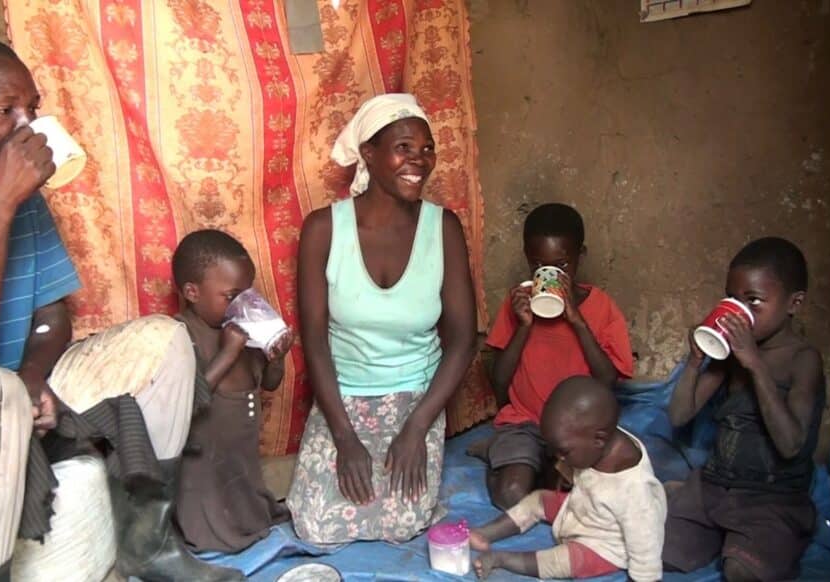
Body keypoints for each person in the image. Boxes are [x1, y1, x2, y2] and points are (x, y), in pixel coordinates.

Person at [0, 37, 242, 582]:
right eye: (4, 112)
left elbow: (52, 313)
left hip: (19, 389)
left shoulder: (25, 200)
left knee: (164, 338)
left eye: (32, 108)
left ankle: (148, 546)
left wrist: (35, 376)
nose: (27, 127)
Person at [286, 93, 477, 543]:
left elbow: (464, 339)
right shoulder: (323, 229)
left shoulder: (443, 228)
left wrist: (417, 427)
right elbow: (314, 340)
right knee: (318, 525)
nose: (420, 160)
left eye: (427, 148)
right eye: (404, 147)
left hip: (416, 396)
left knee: (399, 524)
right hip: (343, 398)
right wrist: (343, 436)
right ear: (368, 155)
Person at [663, 237, 824, 582]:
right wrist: (695, 362)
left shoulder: (802, 360)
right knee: (658, 552)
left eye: (753, 301)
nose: (741, 311)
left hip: (770, 498)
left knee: (742, 571)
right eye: (732, 298)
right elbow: (678, 416)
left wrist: (756, 365)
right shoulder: (730, 356)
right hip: (713, 487)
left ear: (794, 303)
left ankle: (758, 542)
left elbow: (791, 444)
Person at [469, 203, 634, 509]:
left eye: (562, 266)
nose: (551, 275)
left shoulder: (602, 308)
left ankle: (537, 464)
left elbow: (608, 380)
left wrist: (577, 320)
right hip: (524, 422)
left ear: (580, 256)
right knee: (512, 496)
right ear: (527, 260)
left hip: (577, 428)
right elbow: (499, 380)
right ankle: (499, 453)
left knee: (578, 496)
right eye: (539, 267)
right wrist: (523, 326)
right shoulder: (517, 305)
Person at [470, 376, 666, 581]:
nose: (559, 457)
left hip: (602, 546)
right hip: (582, 507)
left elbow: (646, 552)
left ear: (599, 439)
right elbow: (583, 473)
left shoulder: (635, 490)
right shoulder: (596, 442)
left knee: (565, 560)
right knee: (539, 499)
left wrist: (644, 577)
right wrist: (566, 472)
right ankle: (485, 533)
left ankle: (502, 559)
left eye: (564, 451)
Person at [170, 229, 292, 552]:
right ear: (192, 292)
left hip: (241, 457)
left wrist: (276, 358)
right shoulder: (181, 336)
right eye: (231, 295)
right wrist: (227, 353)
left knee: (247, 499)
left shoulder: (242, 328)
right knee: (213, 512)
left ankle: (248, 519)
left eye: (247, 293)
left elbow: (268, 383)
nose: (243, 303)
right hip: (203, 466)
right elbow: (184, 404)